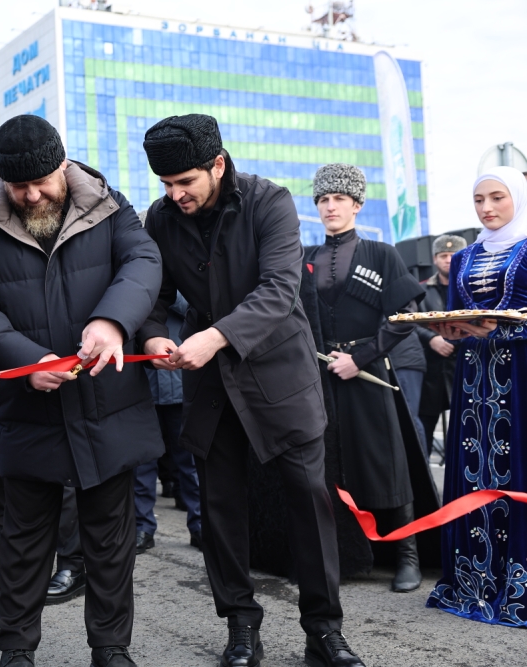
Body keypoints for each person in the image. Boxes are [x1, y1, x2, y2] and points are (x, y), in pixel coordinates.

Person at [138, 115, 365, 667]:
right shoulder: (161, 218)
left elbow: (280, 289)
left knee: (309, 503)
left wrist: (215, 336)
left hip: (279, 373)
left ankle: (324, 631)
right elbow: (154, 296)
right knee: (220, 509)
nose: (175, 195)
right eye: (166, 184)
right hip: (211, 384)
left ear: (217, 165)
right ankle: (240, 626)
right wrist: (153, 336)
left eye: (185, 182)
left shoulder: (271, 201)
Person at [0, 114, 163, 667]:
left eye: (40, 182)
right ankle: (17, 651)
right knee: (24, 543)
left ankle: (111, 648)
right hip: (30, 407)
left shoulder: (111, 208)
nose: (30, 196)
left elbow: (144, 263)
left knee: (110, 542)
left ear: (63, 166)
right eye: (17, 186)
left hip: (106, 402)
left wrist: (112, 322)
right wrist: (27, 361)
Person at [303, 163, 437, 594]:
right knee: (329, 463)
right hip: (320, 374)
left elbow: (405, 316)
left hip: (368, 371)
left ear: (357, 205)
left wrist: (359, 358)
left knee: (385, 460)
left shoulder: (382, 253)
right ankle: (344, 552)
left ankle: (407, 553)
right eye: (323, 199)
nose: (330, 206)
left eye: (339, 198)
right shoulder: (304, 257)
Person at [426, 166, 527, 628]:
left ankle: (516, 582)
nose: (487, 208)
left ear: (518, 197)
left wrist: (503, 329)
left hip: (519, 377)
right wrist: (451, 329)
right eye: (479, 200)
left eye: (497, 197)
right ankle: (474, 578)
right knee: (473, 465)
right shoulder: (464, 257)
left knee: (517, 464)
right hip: (474, 380)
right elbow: (456, 314)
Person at [134, 291, 201, 553]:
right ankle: (142, 527)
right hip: (142, 385)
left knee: (190, 463)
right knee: (141, 463)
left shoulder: (180, 272)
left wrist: (162, 294)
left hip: (180, 382)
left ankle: (200, 525)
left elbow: (195, 306)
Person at [415, 234, 467, 456]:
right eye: (443, 255)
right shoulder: (421, 290)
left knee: (467, 427)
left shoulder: (472, 288)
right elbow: (408, 322)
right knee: (424, 428)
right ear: (434, 259)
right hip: (431, 370)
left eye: (453, 255)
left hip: (465, 367)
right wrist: (431, 339)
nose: (448, 259)